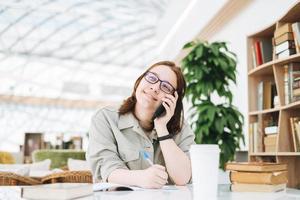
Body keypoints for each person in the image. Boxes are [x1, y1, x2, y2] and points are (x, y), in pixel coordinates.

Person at [87, 61, 195, 189]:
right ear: (139, 81)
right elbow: (106, 168)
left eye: (165, 87)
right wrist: (142, 178)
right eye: (152, 78)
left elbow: (183, 178)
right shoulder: (105, 118)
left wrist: (162, 129)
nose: (155, 88)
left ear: (173, 99)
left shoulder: (181, 128)